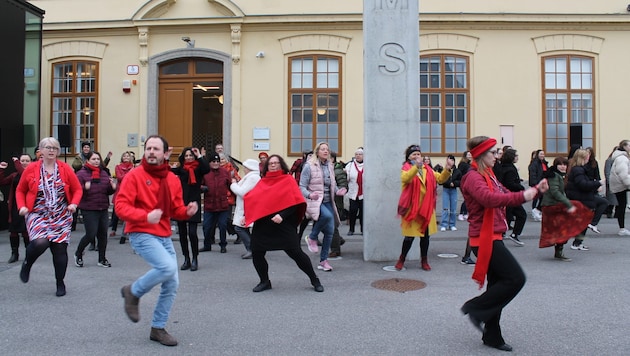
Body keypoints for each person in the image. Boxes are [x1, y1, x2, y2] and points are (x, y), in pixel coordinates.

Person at [459, 136, 547, 352]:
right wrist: (526, 195)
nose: (496, 156)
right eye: (492, 152)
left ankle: (492, 335)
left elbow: (504, 194)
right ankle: (475, 307)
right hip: (484, 238)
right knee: (515, 278)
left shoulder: (488, 175)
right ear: (481, 155)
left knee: (498, 284)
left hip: (494, 235)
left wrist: (534, 190)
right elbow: (489, 199)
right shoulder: (473, 178)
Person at [116, 135, 198, 347]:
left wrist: (187, 211)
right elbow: (120, 207)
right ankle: (133, 291)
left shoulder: (172, 178)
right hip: (141, 231)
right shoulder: (134, 176)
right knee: (168, 267)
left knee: (172, 283)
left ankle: (157, 328)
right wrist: (145, 216)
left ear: (164, 153)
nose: (151, 152)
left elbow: (175, 210)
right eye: (148, 148)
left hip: (162, 234)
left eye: (156, 149)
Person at [244, 154, 324, 293]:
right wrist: (248, 215)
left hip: (283, 224)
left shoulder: (288, 180)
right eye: (271, 163)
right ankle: (264, 281)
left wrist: (282, 215)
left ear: (281, 165)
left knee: (296, 253)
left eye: (276, 163)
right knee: (257, 252)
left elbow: (295, 202)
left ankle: (314, 279)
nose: (273, 165)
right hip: (263, 223)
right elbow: (254, 200)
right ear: (267, 166)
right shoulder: (263, 181)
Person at [15, 137, 83, 297]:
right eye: (48, 147)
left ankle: (60, 282)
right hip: (38, 213)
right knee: (40, 242)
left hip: (61, 214)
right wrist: (22, 206)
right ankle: (27, 263)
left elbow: (77, 189)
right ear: (41, 151)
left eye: (54, 148)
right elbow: (20, 190)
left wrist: (73, 203)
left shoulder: (65, 168)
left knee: (59, 250)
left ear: (58, 151)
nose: (51, 150)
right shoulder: (31, 169)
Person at [394, 145, 454, 271]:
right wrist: (416, 167)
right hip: (412, 209)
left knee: (425, 237)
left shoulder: (428, 169)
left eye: (418, 154)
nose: (417, 157)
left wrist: (447, 169)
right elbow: (406, 178)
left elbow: (440, 179)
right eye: (414, 154)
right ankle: (401, 259)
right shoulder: (406, 168)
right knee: (409, 238)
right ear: (408, 157)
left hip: (426, 209)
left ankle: (424, 260)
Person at [300, 142, 347, 272]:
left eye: (327, 149)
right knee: (326, 216)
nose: (326, 151)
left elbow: (332, 184)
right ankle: (312, 237)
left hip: (328, 201)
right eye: (323, 149)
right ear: (317, 152)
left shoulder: (330, 166)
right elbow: (301, 187)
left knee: (330, 232)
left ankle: (323, 261)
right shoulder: (309, 166)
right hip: (315, 201)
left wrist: (338, 191)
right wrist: (310, 195)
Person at [539, 157, 593, 261]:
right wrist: (568, 204)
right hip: (552, 206)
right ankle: (578, 231)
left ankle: (564, 246)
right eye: (560, 164)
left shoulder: (559, 175)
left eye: (565, 164)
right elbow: (555, 192)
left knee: (562, 228)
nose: (563, 166)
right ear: (556, 165)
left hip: (553, 206)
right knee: (567, 222)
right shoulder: (554, 176)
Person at [74, 151, 116, 268]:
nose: (96, 161)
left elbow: (107, 191)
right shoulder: (81, 174)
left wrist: (112, 188)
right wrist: (84, 187)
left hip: (102, 207)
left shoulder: (103, 173)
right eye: (94, 159)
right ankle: (78, 253)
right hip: (89, 208)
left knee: (103, 235)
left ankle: (102, 259)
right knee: (90, 234)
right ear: (88, 160)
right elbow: (76, 190)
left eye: (98, 159)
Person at [171, 147, 209, 271]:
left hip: (194, 204)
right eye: (186, 156)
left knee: (192, 233)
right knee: (182, 234)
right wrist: (166, 157)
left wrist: (199, 156)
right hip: (180, 205)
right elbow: (165, 170)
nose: (188, 158)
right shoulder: (181, 170)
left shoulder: (198, 169)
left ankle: (195, 258)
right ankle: (186, 258)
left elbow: (207, 168)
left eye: (190, 156)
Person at [564, 149, 606, 250]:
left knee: (583, 221)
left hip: (582, 197)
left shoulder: (578, 169)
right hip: (581, 198)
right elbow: (583, 185)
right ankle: (592, 224)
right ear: (582, 158)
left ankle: (577, 242)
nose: (588, 158)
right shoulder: (578, 170)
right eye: (587, 156)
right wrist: (599, 183)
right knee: (603, 203)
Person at [0, 154, 32, 263]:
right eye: (22, 160)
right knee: (13, 231)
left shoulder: (31, 173)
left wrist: (16, 161)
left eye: (27, 160)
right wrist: (1, 170)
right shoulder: (14, 175)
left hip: (27, 207)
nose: (24, 162)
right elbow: (2, 182)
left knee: (25, 232)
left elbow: (23, 175)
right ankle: (14, 253)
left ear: (31, 162)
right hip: (14, 206)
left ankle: (29, 254)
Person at [230, 159, 261, 259]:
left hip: (247, 207)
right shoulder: (251, 177)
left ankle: (252, 249)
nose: (244, 169)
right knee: (243, 227)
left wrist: (233, 184)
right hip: (245, 207)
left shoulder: (253, 178)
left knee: (239, 228)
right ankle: (253, 248)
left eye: (245, 167)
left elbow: (243, 192)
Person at [201, 152, 231, 253]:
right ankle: (207, 245)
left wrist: (233, 198)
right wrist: (202, 188)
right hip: (209, 204)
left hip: (222, 204)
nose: (216, 163)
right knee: (207, 226)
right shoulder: (205, 173)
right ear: (209, 163)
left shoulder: (224, 172)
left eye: (218, 161)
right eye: (213, 161)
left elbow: (230, 185)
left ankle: (223, 245)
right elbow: (198, 185)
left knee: (223, 225)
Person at [497, 148, 527, 246]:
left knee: (507, 216)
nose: (517, 157)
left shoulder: (503, 167)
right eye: (516, 155)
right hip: (511, 196)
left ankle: (503, 233)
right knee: (521, 215)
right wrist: (521, 187)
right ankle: (514, 234)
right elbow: (509, 183)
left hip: (506, 195)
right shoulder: (510, 169)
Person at [110, 151, 135, 243]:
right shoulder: (118, 167)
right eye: (124, 156)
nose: (126, 157)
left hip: (130, 192)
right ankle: (114, 229)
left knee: (128, 214)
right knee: (117, 213)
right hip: (120, 191)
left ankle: (124, 235)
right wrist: (130, 173)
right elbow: (120, 178)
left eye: (127, 156)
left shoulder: (133, 167)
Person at [609, 139, 630, 236]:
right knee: (622, 206)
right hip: (621, 185)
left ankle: (622, 228)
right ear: (624, 147)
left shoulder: (621, 157)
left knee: (621, 206)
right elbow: (623, 174)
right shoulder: (622, 158)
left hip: (619, 185)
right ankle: (622, 228)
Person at [345, 147, 364, 235]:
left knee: (363, 213)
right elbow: (346, 177)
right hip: (353, 192)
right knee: (353, 211)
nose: (358, 156)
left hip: (364, 193)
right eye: (356, 154)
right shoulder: (350, 165)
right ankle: (351, 229)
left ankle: (363, 230)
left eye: (360, 154)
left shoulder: (367, 165)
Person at [439, 154, 460, 232]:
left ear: (454, 161)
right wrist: (448, 183)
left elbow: (460, 181)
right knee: (445, 208)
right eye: (448, 160)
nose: (449, 162)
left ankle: (452, 224)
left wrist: (454, 183)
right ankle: (444, 224)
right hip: (446, 190)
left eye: (451, 160)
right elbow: (441, 180)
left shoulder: (457, 171)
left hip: (453, 190)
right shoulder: (444, 170)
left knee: (453, 209)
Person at [528, 149, 548, 221]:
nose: (542, 155)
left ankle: (537, 210)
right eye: (541, 154)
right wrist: (535, 183)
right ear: (537, 155)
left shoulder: (544, 163)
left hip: (543, 183)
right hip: (537, 183)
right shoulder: (534, 163)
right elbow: (533, 174)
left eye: (543, 154)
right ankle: (534, 210)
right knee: (536, 197)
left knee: (542, 198)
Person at [603, 146, 619, 219]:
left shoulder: (621, 160)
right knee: (611, 199)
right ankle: (609, 212)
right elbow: (607, 171)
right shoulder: (609, 160)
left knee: (619, 200)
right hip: (612, 182)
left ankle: (618, 214)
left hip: (619, 183)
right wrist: (609, 181)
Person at [457, 151, 472, 221]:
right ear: (465, 156)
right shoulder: (462, 164)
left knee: (468, 198)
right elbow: (459, 174)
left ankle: (465, 213)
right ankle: (461, 213)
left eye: (470, 155)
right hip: (463, 183)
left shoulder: (469, 164)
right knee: (466, 198)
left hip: (469, 183)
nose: (470, 156)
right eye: (468, 155)